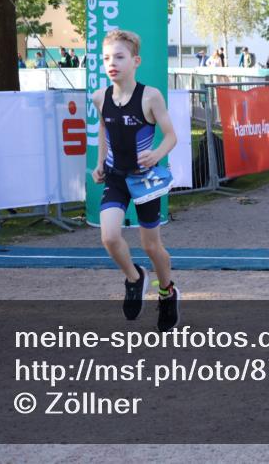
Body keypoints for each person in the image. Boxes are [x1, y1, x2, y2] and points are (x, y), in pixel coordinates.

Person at [91, 29, 180, 330]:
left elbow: (171, 136)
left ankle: (167, 293)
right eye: (106, 58)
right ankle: (134, 277)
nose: (111, 63)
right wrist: (100, 161)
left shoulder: (150, 96)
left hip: (144, 180)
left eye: (119, 56)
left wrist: (156, 154)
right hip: (115, 177)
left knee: (151, 246)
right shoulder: (99, 97)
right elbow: (104, 129)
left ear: (135, 61)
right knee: (109, 237)